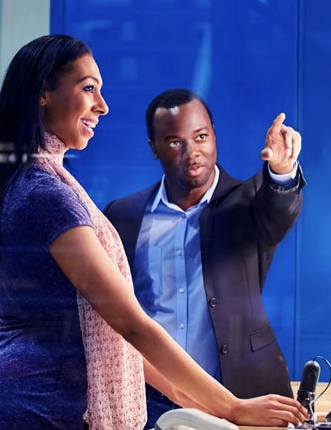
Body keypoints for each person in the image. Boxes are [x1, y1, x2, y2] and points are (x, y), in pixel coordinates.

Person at [0, 35, 307, 429]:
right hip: (29, 408)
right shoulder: (47, 193)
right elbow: (131, 324)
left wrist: (215, 409)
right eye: (88, 89)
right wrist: (233, 409)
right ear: (43, 93)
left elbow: (124, 341)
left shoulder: (39, 182)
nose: (102, 106)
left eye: (201, 136)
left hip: (32, 400)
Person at [103, 89, 305, 426]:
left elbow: (279, 209)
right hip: (149, 397)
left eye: (201, 137)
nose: (192, 152)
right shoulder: (123, 216)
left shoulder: (249, 201)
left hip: (240, 390)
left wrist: (282, 169)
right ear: (154, 148)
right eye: (174, 142)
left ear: (214, 135)